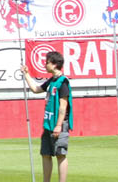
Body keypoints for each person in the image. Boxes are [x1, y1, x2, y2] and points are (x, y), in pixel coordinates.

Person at [25, 51, 72, 182]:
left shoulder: (63, 82)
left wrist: (58, 125)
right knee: (45, 154)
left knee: (60, 154)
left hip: (59, 124)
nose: (45, 65)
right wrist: (26, 74)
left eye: (47, 62)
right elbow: (36, 89)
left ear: (55, 64)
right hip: (48, 123)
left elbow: (63, 106)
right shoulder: (51, 81)